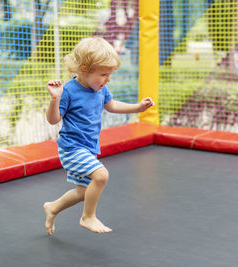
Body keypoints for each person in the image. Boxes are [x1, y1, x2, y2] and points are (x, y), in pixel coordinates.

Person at [43, 37, 155, 235]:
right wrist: (54, 99)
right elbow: (53, 120)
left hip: (88, 148)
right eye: (104, 74)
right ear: (84, 69)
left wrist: (138, 107)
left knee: (83, 192)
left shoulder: (100, 89)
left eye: (109, 74)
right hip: (72, 148)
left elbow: (112, 105)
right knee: (101, 175)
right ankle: (88, 217)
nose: (107, 79)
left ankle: (52, 207)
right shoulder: (68, 91)